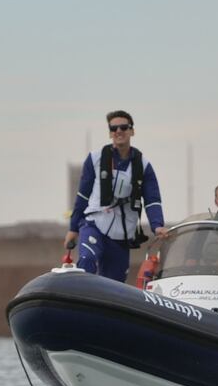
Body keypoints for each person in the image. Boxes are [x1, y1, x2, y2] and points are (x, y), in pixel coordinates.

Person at [64, 110, 167, 282]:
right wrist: (73, 228)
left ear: (132, 131)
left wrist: (157, 226)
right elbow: (82, 196)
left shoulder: (144, 166)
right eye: (114, 128)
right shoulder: (95, 159)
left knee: (114, 283)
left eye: (124, 127)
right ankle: (80, 299)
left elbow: (152, 200)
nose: (119, 131)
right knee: (87, 260)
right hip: (94, 224)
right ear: (110, 133)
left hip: (121, 236)